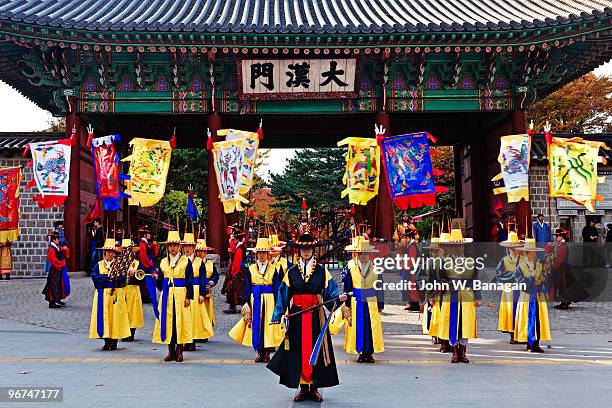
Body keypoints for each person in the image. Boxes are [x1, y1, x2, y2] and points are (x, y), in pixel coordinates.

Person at [267, 233, 347, 403]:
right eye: (303, 249)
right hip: (297, 317)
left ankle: (315, 387)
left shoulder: (322, 271)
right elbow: (283, 294)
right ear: (299, 251)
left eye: (308, 249)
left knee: (317, 350)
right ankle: (303, 387)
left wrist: (339, 301)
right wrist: (278, 314)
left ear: (313, 250)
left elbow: (331, 293)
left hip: (316, 317)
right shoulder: (291, 272)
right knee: (298, 350)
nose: (306, 252)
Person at [229, 237, 284, 362]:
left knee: (268, 326)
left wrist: (278, 303)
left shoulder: (273, 269)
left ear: (268, 254)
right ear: (256, 254)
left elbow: (276, 287)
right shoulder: (251, 269)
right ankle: (259, 352)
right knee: (257, 325)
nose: (262, 255)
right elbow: (247, 286)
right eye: (259, 253)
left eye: (264, 253)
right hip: (255, 299)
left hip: (269, 300)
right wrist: (246, 302)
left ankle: (267, 354)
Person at [436, 229, 481, 363]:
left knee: (465, 324)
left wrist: (478, 297)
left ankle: (463, 353)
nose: (458, 249)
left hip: (467, 296)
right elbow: (440, 279)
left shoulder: (471, 262)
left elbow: (475, 280)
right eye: (455, 246)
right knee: (453, 323)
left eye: (460, 246)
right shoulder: (445, 262)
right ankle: (455, 352)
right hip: (451, 296)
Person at [152, 230, 194, 362]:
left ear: (179, 246)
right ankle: (170, 351)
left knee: (179, 322)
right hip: (167, 295)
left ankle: (179, 350)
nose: (173, 248)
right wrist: (157, 281)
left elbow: (189, 280)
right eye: (170, 245)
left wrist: (189, 296)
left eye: (175, 245)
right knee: (168, 321)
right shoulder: (163, 261)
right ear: (167, 247)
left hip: (181, 294)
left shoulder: (186, 261)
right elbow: (160, 281)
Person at [341, 236, 384, 363]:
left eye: (366, 253)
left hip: (371, 302)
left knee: (370, 328)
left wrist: (380, 304)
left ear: (369, 254)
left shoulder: (376, 269)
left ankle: (369, 353)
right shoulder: (351, 268)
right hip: (357, 302)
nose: (363, 256)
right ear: (357, 254)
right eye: (361, 253)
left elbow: (380, 287)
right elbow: (347, 286)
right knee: (358, 327)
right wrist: (347, 303)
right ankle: (360, 353)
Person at [88, 238, 131, 350]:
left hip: (115, 294)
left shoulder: (119, 265)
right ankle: (106, 340)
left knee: (115, 317)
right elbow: (94, 277)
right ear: (104, 252)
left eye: (113, 252)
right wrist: (108, 278)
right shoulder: (99, 265)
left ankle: (114, 341)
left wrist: (115, 279)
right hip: (103, 294)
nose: (110, 254)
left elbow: (122, 279)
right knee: (104, 317)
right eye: (108, 251)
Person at [514, 239, 552, 352]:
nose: (533, 255)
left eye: (535, 253)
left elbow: (546, 281)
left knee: (538, 319)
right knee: (527, 319)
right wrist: (531, 280)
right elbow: (519, 282)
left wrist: (542, 282)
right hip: (526, 296)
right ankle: (529, 344)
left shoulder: (540, 266)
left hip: (538, 297)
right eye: (531, 253)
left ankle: (537, 343)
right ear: (526, 253)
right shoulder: (520, 267)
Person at [182, 232, 213, 352]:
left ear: (194, 248)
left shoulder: (199, 262)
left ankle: (193, 340)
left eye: (190, 246)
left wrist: (202, 293)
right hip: (184, 290)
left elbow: (202, 279)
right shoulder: (181, 261)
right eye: (186, 246)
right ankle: (185, 339)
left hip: (195, 290)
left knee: (194, 317)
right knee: (185, 316)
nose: (188, 249)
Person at [547, 229, 588, 310]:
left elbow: (560, 259)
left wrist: (553, 265)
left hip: (563, 269)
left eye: (557, 236)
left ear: (561, 237)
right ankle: (564, 301)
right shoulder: (559, 245)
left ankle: (565, 302)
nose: (556, 237)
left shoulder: (563, 246)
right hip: (561, 268)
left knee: (564, 285)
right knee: (562, 285)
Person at [495, 231, 523, 343]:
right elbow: (499, 274)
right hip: (509, 289)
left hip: (520, 288)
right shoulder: (504, 260)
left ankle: (520, 333)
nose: (513, 249)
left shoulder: (523, 259)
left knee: (521, 310)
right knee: (511, 310)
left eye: (515, 246)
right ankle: (512, 334)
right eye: (511, 246)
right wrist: (512, 275)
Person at [195, 238, 219, 341]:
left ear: (205, 252)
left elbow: (215, 275)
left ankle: (205, 333)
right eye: (199, 251)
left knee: (207, 313)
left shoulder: (210, 264)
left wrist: (213, 281)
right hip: (197, 292)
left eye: (202, 251)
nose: (200, 253)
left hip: (207, 291)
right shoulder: (194, 263)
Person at [121, 238, 144, 342]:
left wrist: (133, 275)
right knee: (122, 311)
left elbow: (142, 277)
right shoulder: (119, 263)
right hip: (122, 289)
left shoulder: (137, 263)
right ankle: (123, 331)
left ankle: (131, 332)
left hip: (133, 289)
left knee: (132, 311)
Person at [222, 228, 247, 314]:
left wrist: (233, 272)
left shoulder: (239, 249)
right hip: (241, 270)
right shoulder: (240, 247)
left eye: (235, 239)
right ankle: (238, 306)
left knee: (233, 289)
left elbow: (237, 262)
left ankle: (234, 307)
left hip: (239, 271)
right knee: (240, 290)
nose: (233, 240)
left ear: (237, 239)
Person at [42, 232, 70, 308]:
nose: (59, 240)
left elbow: (60, 250)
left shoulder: (55, 247)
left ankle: (56, 299)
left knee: (58, 285)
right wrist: (61, 263)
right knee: (53, 286)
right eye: (57, 239)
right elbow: (53, 260)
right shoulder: (52, 249)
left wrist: (64, 249)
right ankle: (52, 302)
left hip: (57, 270)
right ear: (54, 240)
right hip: (54, 270)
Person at [138, 226, 159, 317]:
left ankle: (149, 296)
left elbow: (155, 253)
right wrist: (149, 263)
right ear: (145, 235)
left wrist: (154, 245)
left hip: (150, 264)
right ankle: (146, 297)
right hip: (145, 265)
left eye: (150, 234)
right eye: (148, 234)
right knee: (145, 281)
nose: (150, 235)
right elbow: (143, 256)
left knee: (150, 281)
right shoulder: (143, 243)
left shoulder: (148, 243)